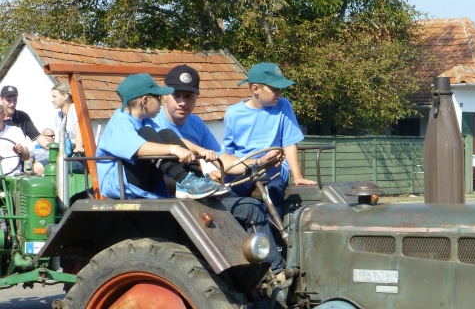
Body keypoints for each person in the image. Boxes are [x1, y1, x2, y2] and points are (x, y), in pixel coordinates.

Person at [154, 64, 284, 273]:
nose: (182, 102)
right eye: (176, 95)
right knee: (249, 207)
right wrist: (203, 178)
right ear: (165, 96)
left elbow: (224, 161)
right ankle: (271, 274)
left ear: (196, 98)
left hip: (196, 193)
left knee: (251, 205)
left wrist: (259, 162)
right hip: (167, 196)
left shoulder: (196, 123)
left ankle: (270, 271)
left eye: (189, 96)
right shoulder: (154, 124)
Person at [95, 73, 226, 200]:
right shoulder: (120, 121)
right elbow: (139, 148)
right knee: (147, 133)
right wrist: (174, 150)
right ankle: (184, 181)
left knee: (166, 134)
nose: (161, 101)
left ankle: (198, 179)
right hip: (120, 184)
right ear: (145, 101)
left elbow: (173, 140)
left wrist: (199, 150)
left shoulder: (146, 121)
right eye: (158, 98)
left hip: (141, 178)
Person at [223, 63, 315, 213]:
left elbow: (289, 143)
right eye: (274, 89)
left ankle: (276, 234)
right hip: (245, 167)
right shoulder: (233, 113)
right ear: (255, 89)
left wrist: (297, 176)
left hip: (274, 167)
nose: (279, 92)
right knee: (228, 195)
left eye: (280, 89)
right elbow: (229, 151)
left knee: (272, 190)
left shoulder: (284, 106)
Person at [0, 102, 32, 175]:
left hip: (14, 176)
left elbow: (27, 157)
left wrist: (21, 149)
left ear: (4, 116)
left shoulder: (15, 131)